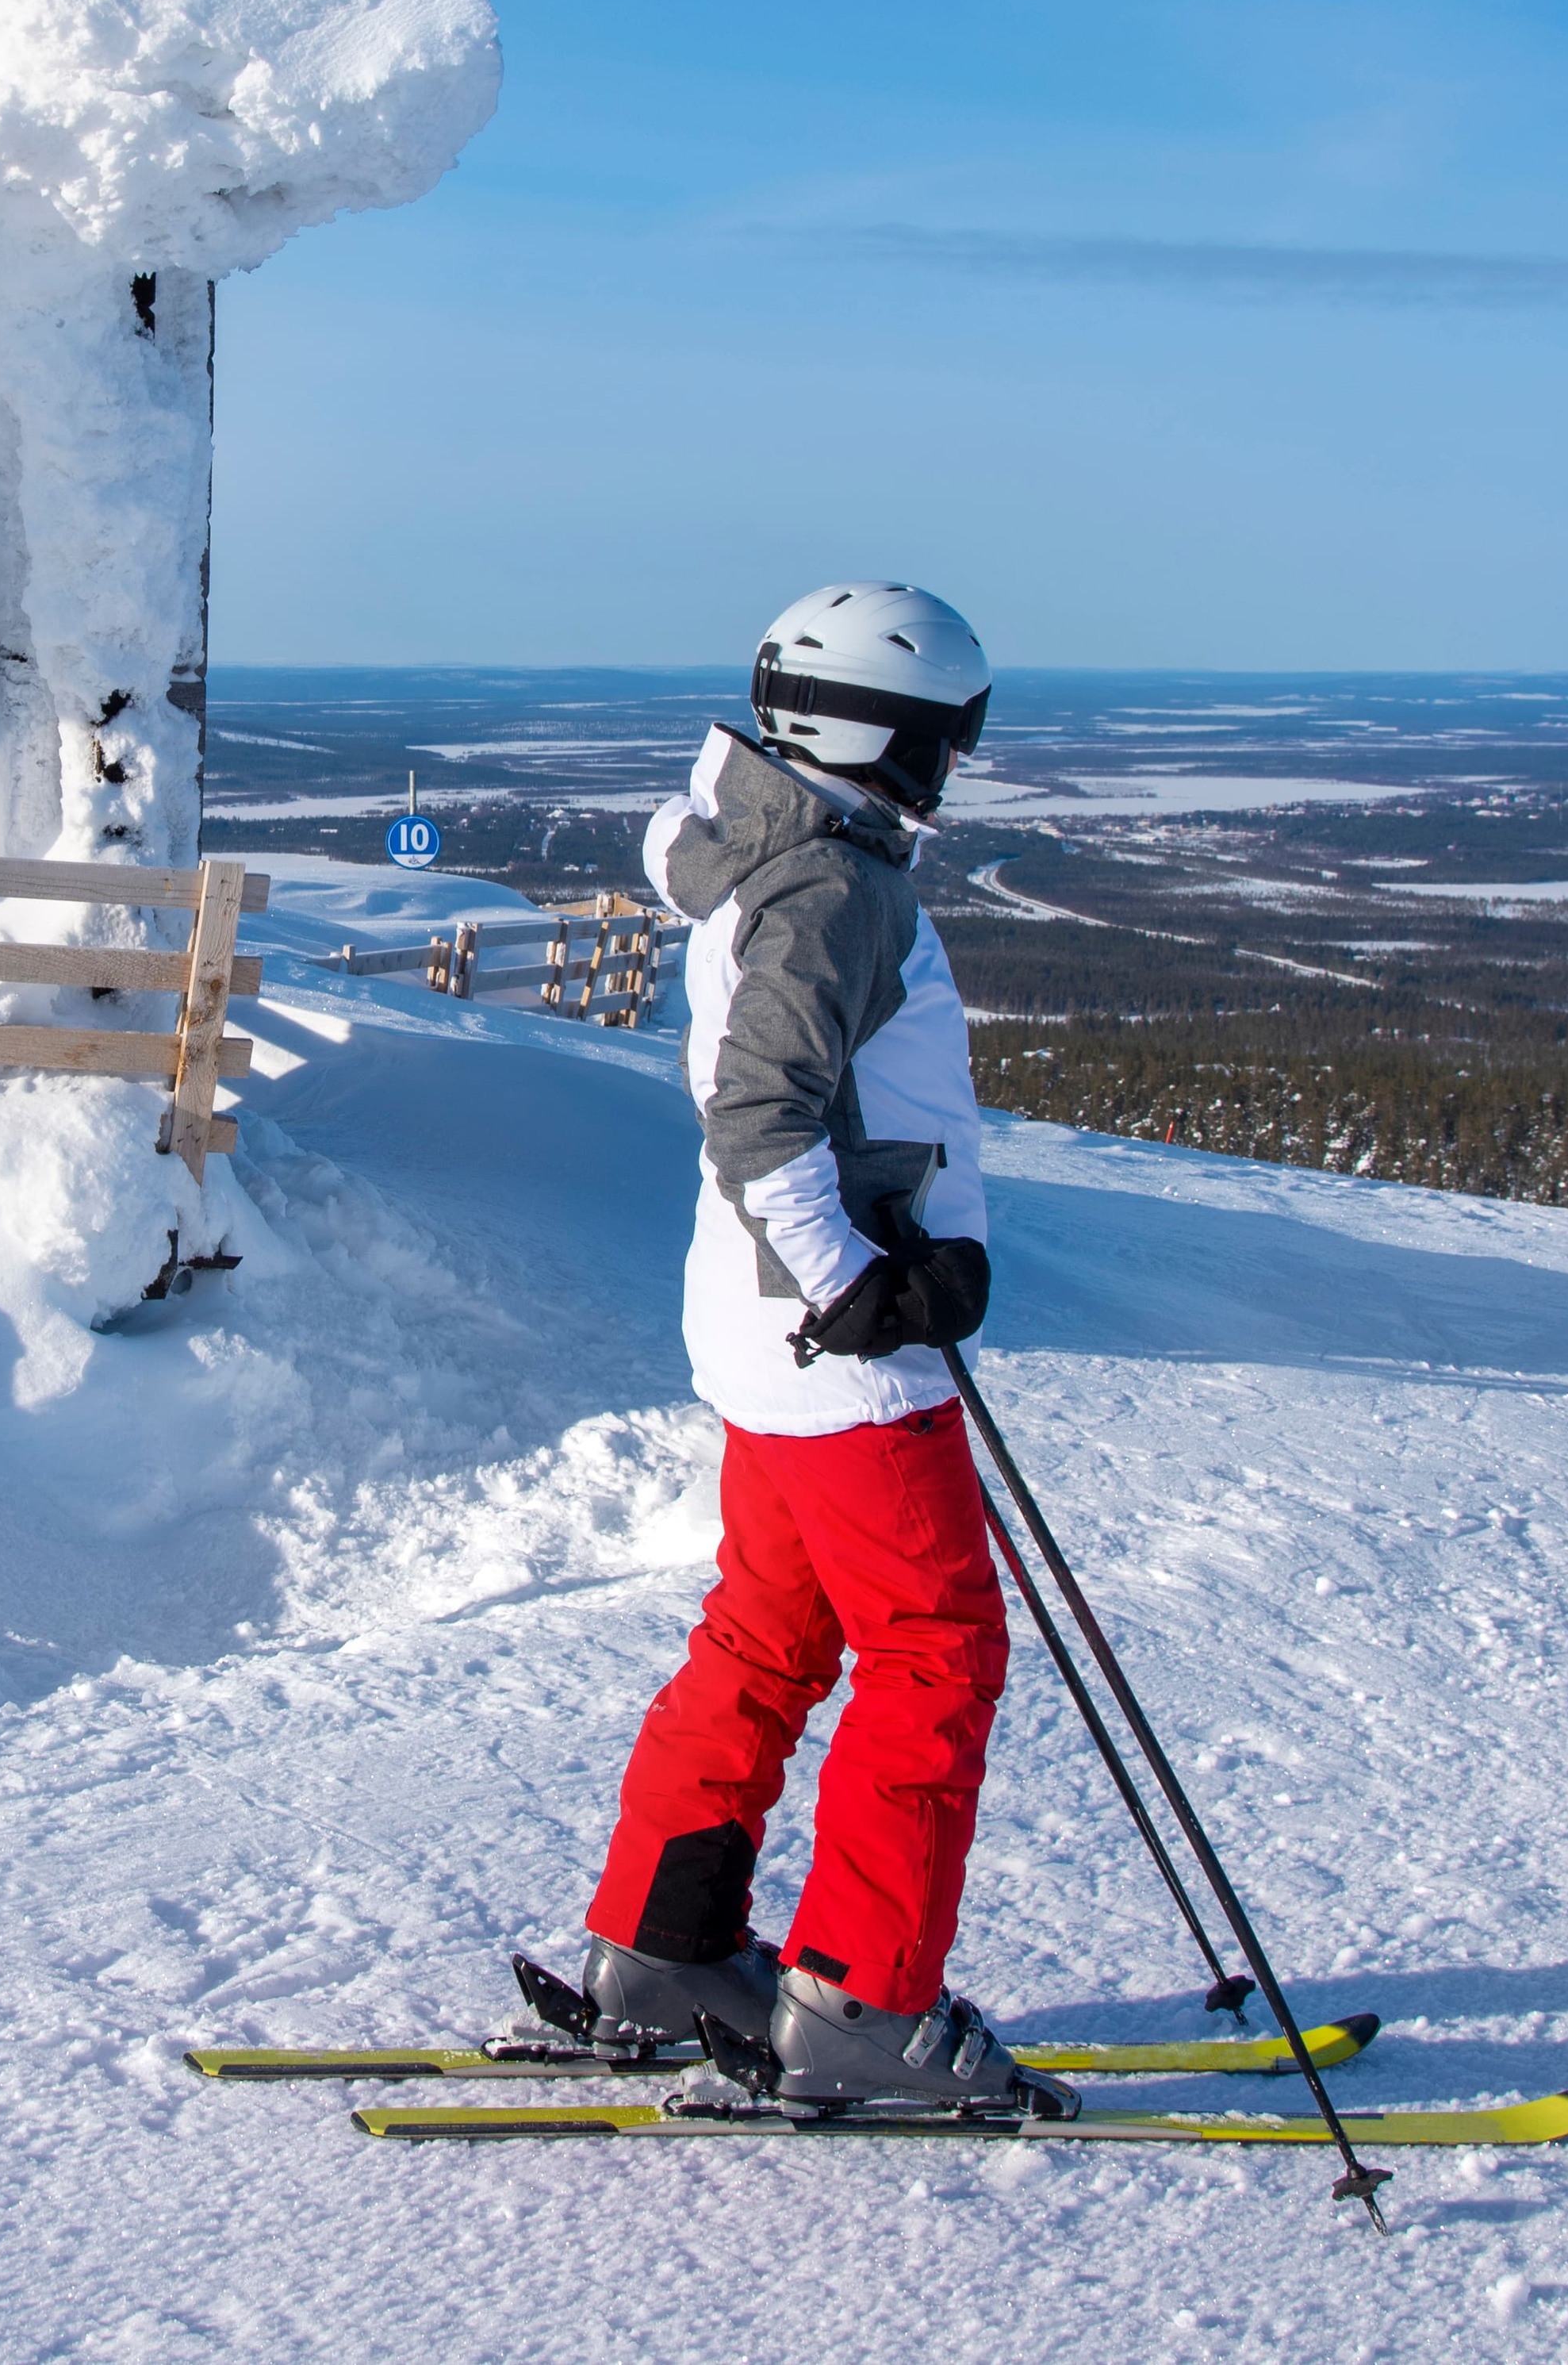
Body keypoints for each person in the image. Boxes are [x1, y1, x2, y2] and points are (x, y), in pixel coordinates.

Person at [568, 582, 1072, 2117]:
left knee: (767, 1639)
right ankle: (863, 2000)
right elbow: (764, 1112)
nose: (952, 767)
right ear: (888, 736)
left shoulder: (762, 854)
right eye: (943, 738)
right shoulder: (836, 889)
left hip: (760, 1333)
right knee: (938, 1649)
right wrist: (865, 1277)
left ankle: (665, 1950)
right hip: (841, 1353)